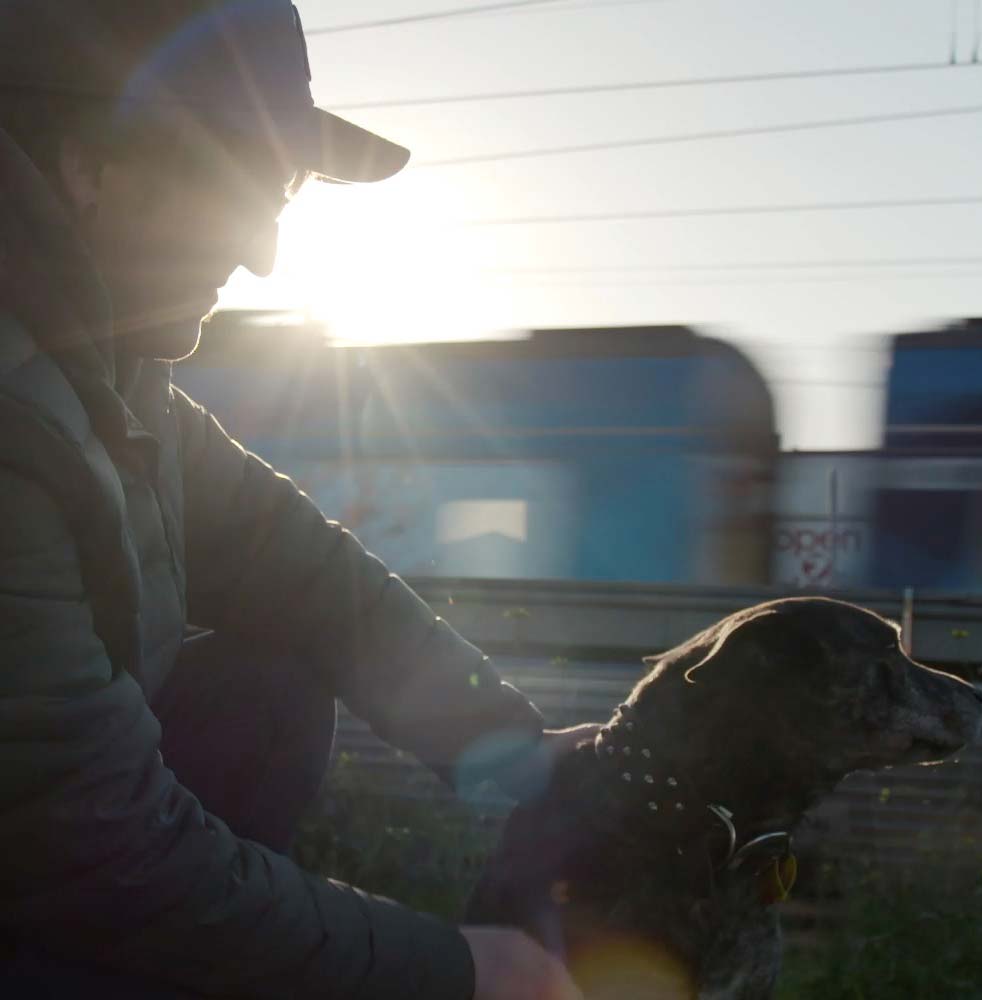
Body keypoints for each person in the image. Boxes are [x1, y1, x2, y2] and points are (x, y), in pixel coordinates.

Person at [0, 2, 593, 997]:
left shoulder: (107, 368)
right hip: (57, 865)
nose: (265, 254)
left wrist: (513, 745)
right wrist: (455, 974)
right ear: (87, 165)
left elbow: (299, 563)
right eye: (242, 187)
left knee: (263, 684)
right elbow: (97, 847)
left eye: (279, 193)